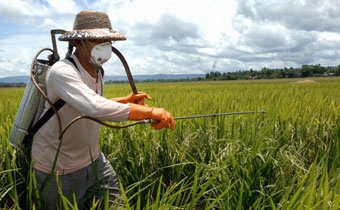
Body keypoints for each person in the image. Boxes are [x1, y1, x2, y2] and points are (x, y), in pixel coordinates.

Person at [31, 10, 175, 209]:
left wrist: (125, 101)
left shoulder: (97, 71)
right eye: (96, 39)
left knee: (117, 205)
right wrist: (150, 113)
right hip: (58, 167)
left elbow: (89, 102)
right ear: (77, 43)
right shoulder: (62, 72)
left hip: (93, 159)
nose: (104, 45)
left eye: (107, 39)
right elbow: (94, 107)